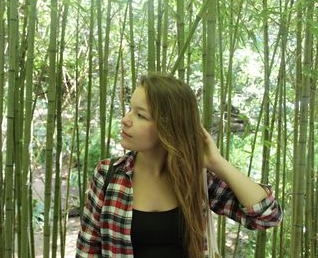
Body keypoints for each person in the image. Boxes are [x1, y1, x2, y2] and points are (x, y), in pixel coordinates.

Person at [76, 73, 282, 258]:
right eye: (130, 110)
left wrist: (217, 163)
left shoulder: (195, 177)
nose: (125, 120)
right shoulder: (109, 175)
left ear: (169, 126)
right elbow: (88, 249)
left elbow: (267, 217)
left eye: (140, 115)